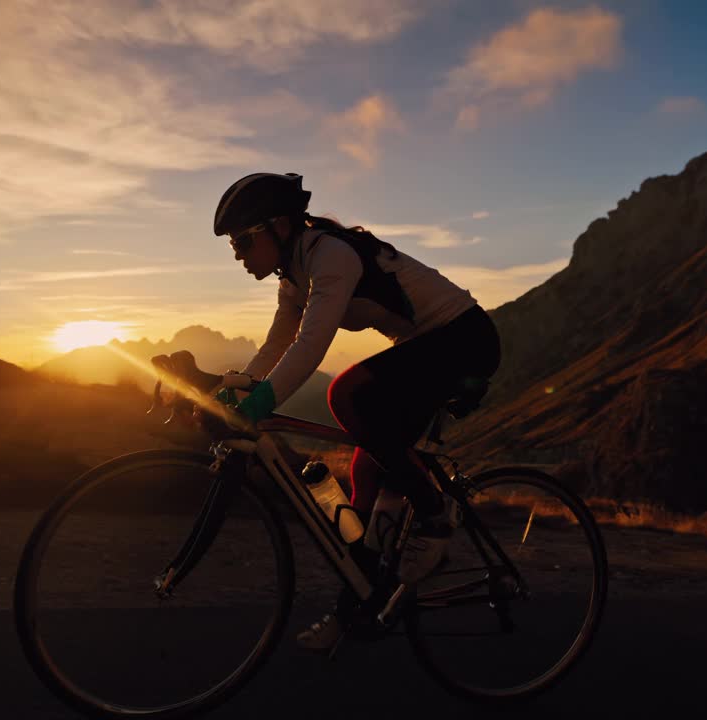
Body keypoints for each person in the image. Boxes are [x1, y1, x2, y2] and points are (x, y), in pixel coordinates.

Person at [212, 172, 502, 650]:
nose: (239, 253)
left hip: (463, 339)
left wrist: (265, 399)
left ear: (281, 226)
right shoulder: (295, 277)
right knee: (366, 476)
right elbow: (275, 347)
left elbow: (309, 347)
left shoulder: (331, 256)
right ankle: (359, 611)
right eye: (232, 245)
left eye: (244, 239)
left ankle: (434, 517)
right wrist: (240, 389)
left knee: (346, 395)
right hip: (425, 347)